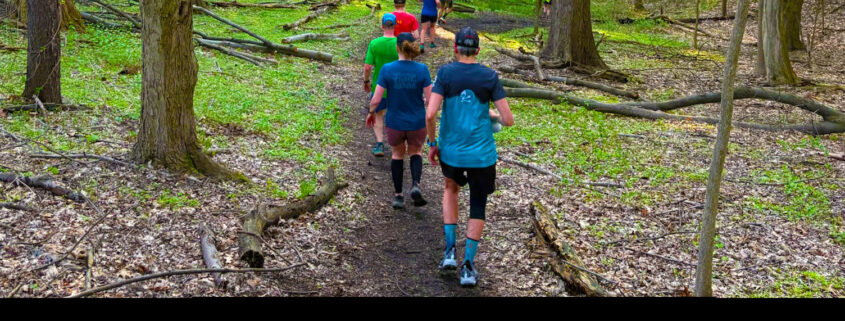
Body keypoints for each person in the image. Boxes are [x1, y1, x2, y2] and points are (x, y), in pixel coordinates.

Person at [425, 27, 514, 287]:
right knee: (478, 201)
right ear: (477, 50)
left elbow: (430, 114)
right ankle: (468, 266)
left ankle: (450, 252)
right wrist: (491, 115)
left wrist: (433, 143)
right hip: (481, 155)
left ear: (455, 48)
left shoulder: (445, 74)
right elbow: (508, 120)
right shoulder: (489, 77)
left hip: (451, 152)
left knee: (450, 190)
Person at [367, 32, 432, 210]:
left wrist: (371, 112)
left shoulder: (387, 69)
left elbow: (376, 99)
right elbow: (430, 99)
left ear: (397, 48)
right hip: (416, 121)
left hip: (395, 121)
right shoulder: (422, 69)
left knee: (397, 154)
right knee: (415, 152)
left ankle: (398, 196)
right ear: (412, 47)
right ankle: (416, 185)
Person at [363, 13, 400, 157]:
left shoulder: (374, 43)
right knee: (395, 114)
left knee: (378, 114)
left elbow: (367, 67)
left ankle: (379, 145)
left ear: (382, 26)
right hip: (397, 88)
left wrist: (366, 81)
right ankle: (397, 143)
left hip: (379, 87)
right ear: (395, 26)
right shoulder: (400, 44)